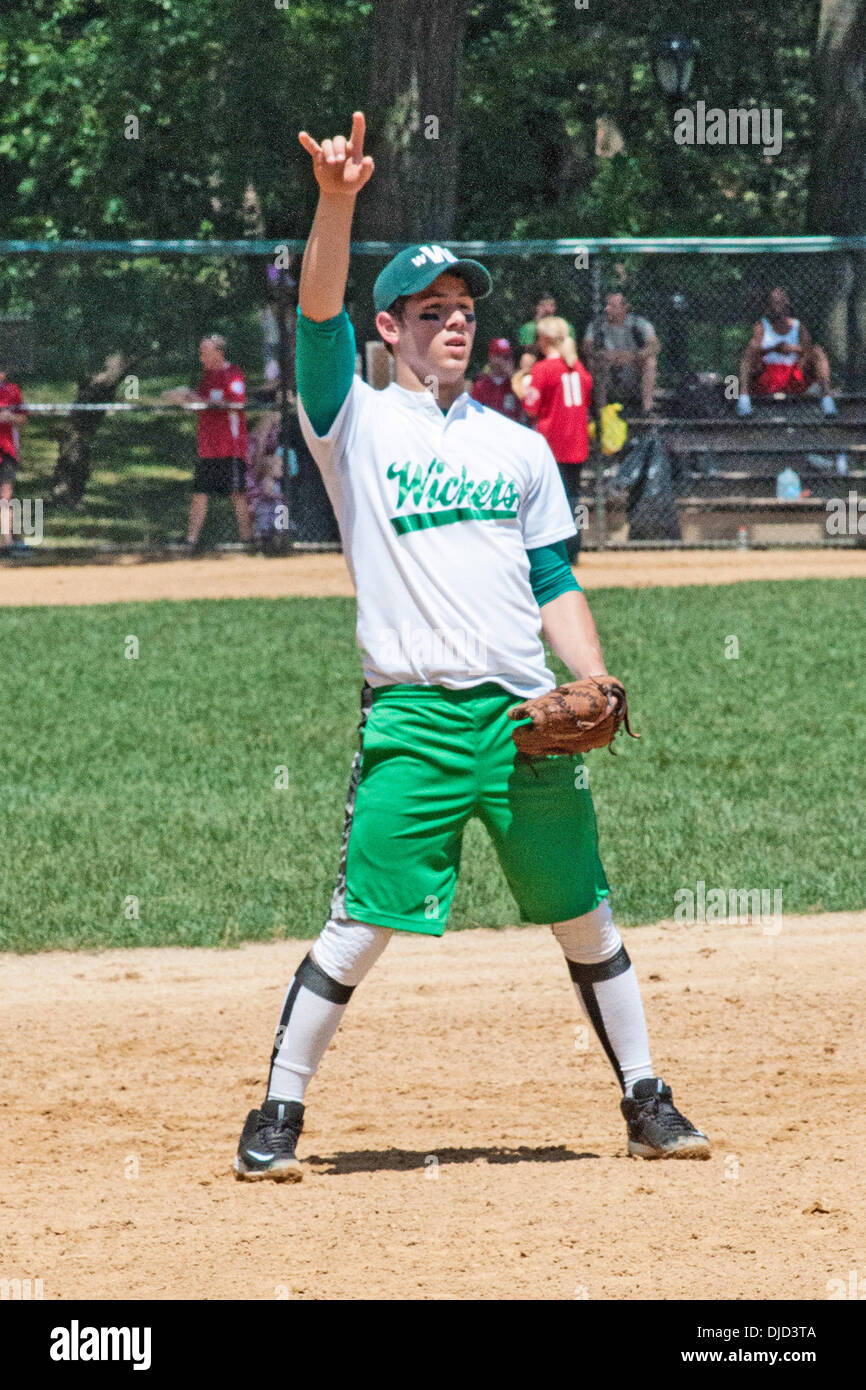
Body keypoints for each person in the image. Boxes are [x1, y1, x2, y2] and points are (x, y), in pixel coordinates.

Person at [233, 111, 709, 1182]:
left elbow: (551, 580)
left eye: (463, 311)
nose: (456, 324)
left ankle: (646, 1098)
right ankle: (277, 1114)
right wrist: (338, 200)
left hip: (520, 718)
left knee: (583, 913)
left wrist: (589, 672)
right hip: (411, 715)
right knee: (361, 923)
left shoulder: (517, 446)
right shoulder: (348, 420)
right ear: (389, 329)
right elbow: (314, 309)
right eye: (432, 310)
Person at [513, 317, 592, 565]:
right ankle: (575, 546)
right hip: (577, 442)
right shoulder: (578, 368)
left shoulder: (543, 369)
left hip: (551, 444)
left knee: (550, 499)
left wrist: (522, 386)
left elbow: (531, 408)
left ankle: (553, 550)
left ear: (544, 340)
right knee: (574, 497)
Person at [178, 336, 252, 549]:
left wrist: (200, 400)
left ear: (218, 353)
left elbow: (235, 404)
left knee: (237, 494)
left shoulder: (233, 375)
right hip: (208, 449)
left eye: (205, 353)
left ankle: (247, 542)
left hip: (230, 448)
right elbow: (201, 404)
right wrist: (183, 398)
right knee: (199, 493)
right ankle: (190, 542)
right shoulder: (207, 377)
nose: (202, 358)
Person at [736, 287, 836, 417]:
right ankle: (744, 401)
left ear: (786, 303)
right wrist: (774, 348)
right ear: (768, 305)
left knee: (818, 351)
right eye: (774, 302)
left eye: (780, 302)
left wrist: (792, 349)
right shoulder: (761, 325)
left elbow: (808, 349)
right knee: (748, 352)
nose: (777, 305)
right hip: (768, 377)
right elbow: (754, 348)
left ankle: (828, 401)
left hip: (793, 376)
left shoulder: (797, 326)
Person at [582, 293, 660, 416]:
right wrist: (601, 355)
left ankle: (647, 409)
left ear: (625, 308)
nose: (607, 309)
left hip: (632, 369)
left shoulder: (639, 323)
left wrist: (633, 356)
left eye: (612, 306)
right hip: (607, 368)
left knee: (650, 361)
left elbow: (654, 346)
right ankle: (601, 412)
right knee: (593, 362)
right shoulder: (597, 324)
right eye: (606, 305)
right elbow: (586, 346)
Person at [0, 360, 28, 552]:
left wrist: (10, 417)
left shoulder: (11, 390)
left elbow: (23, 418)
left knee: (6, 496)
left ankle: (8, 542)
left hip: (6, 450)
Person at [470, 337, 521, 421]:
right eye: (498, 356)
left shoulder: (515, 382)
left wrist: (512, 376)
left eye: (506, 357)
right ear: (491, 357)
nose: (503, 361)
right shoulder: (481, 384)